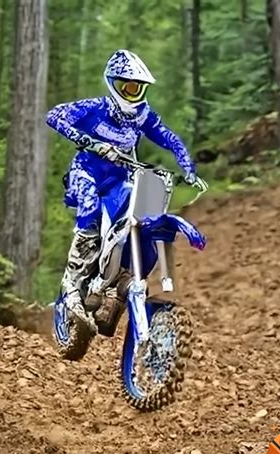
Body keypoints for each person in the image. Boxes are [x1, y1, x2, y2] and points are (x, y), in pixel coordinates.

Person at [46, 49, 198, 330]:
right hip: (87, 171)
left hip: (122, 177)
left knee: (141, 217)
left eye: (137, 88)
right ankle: (71, 286)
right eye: (127, 87)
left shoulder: (142, 115)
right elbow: (55, 116)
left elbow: (168, 137)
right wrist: (89, 142)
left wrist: (187, 165)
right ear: (113, 84)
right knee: (89, 209)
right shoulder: (95, 108)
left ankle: (117, 286)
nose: (132, 93)